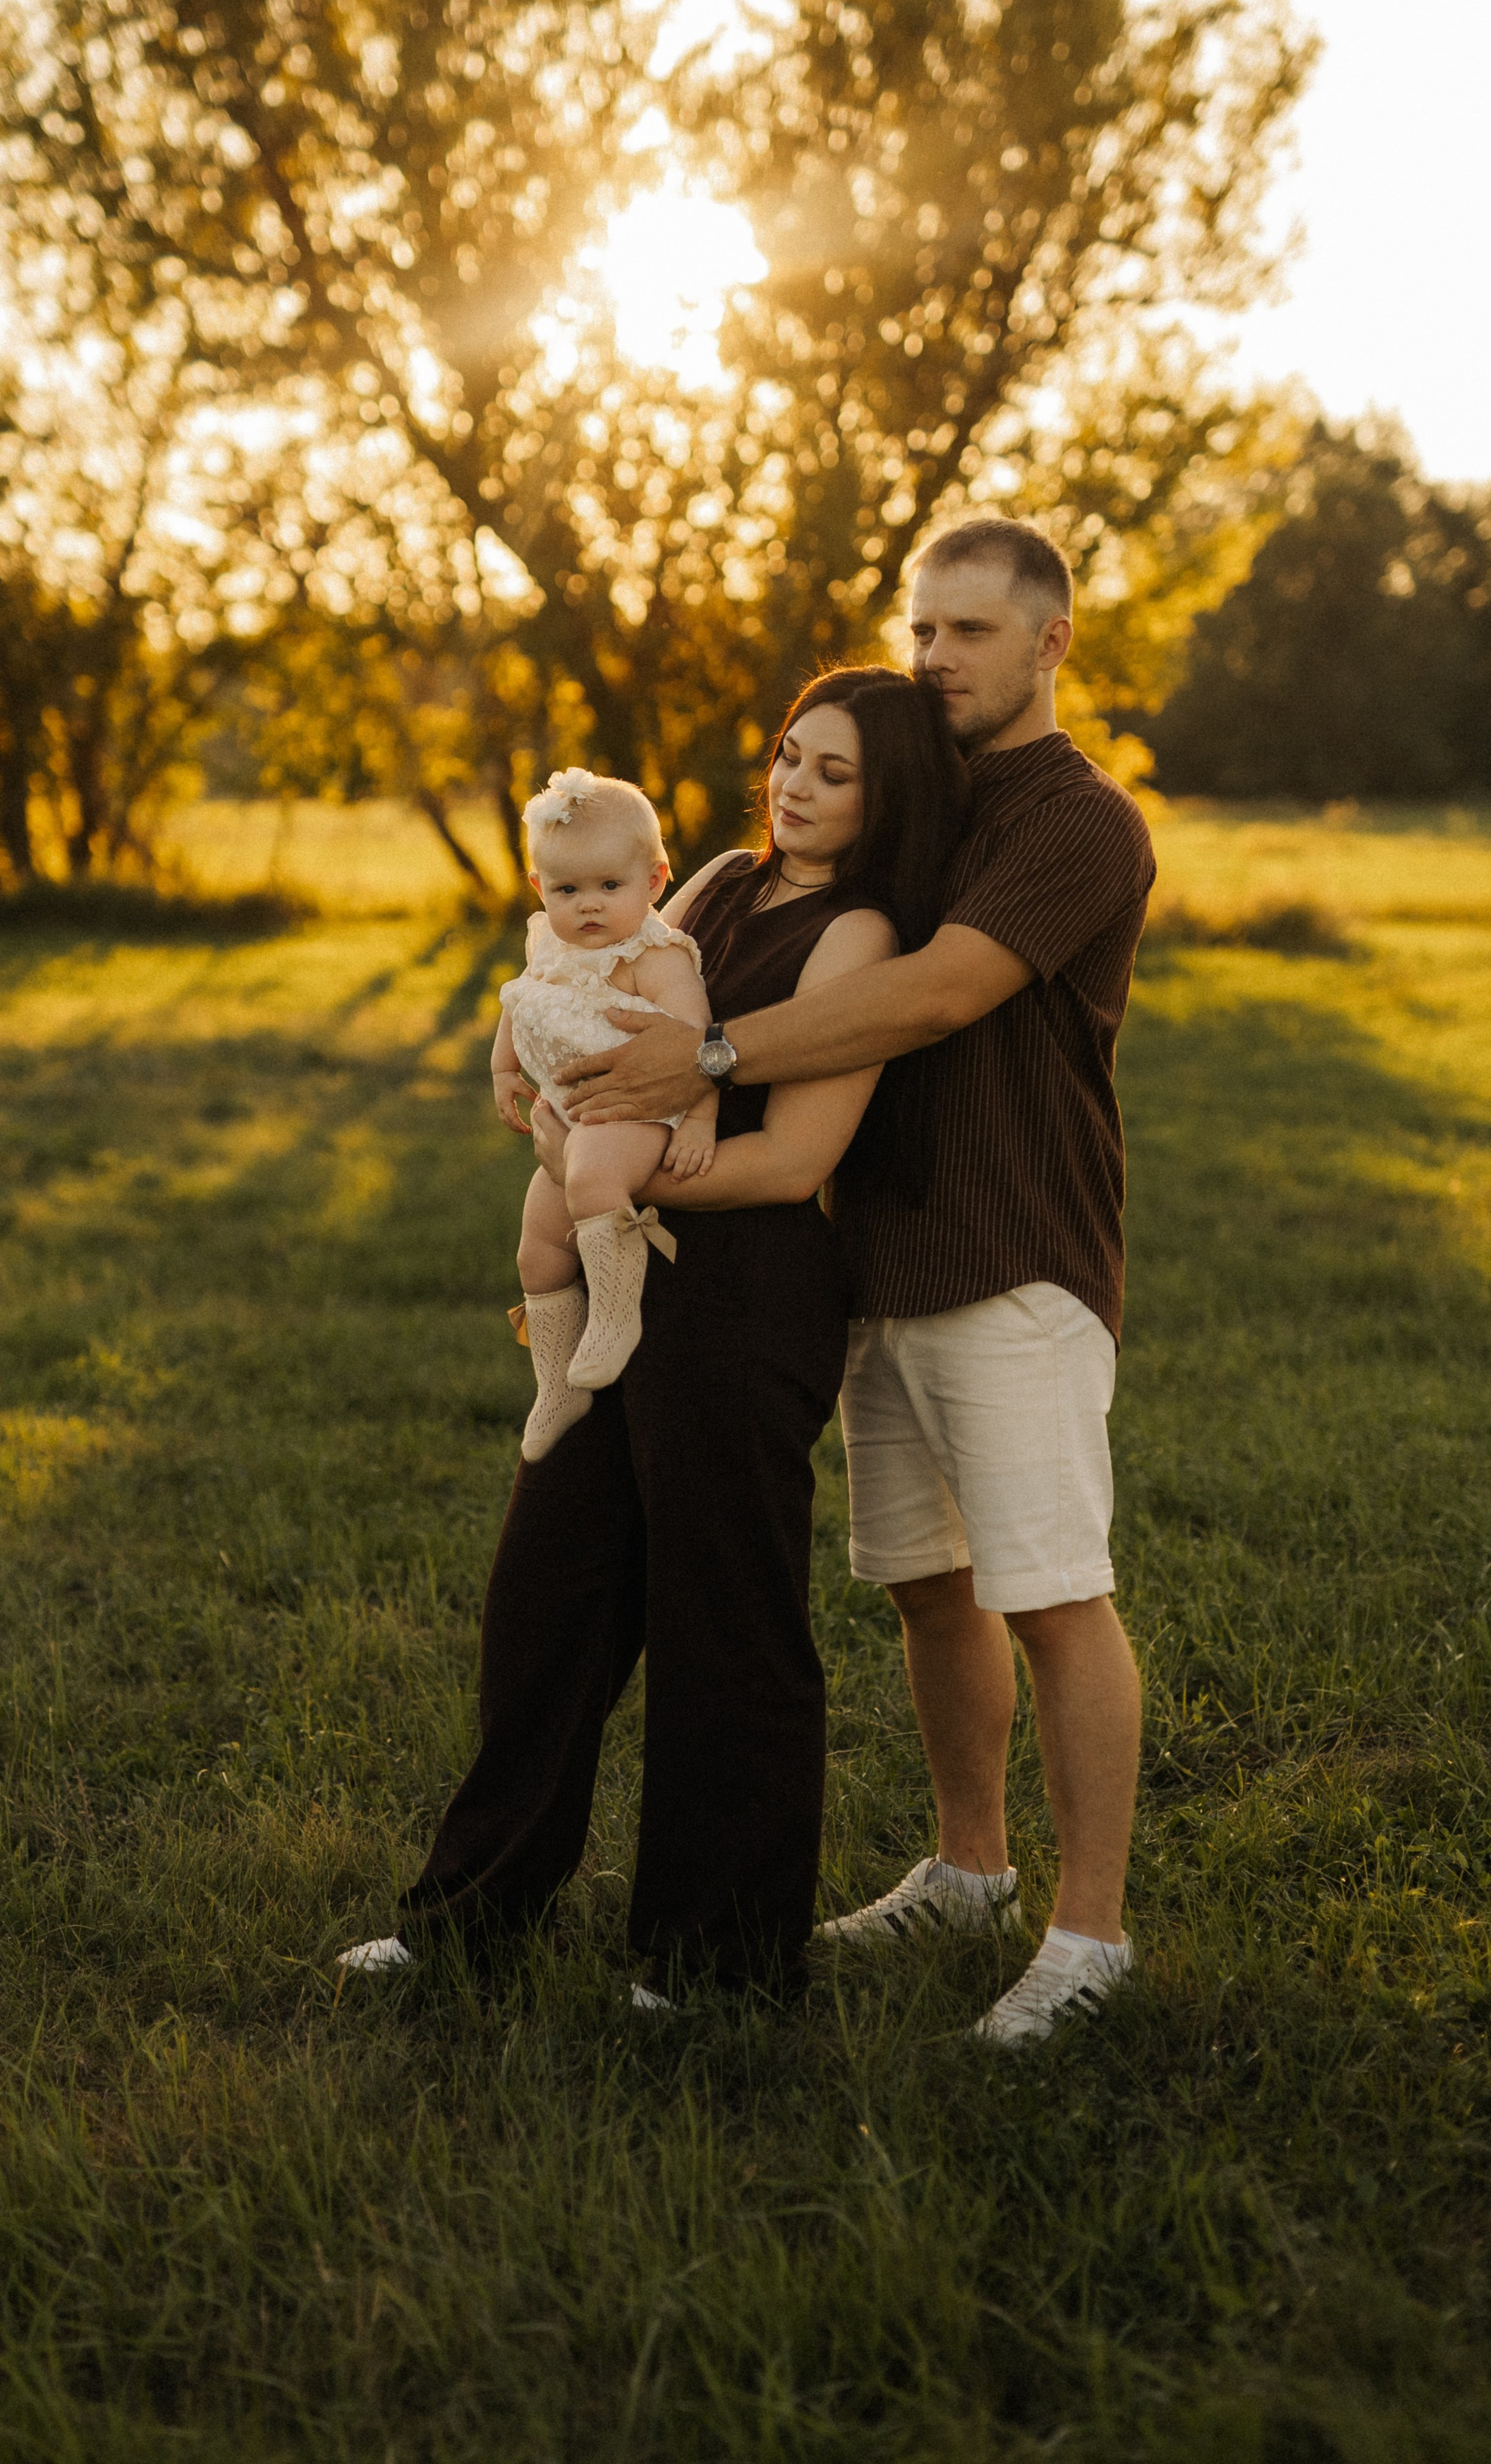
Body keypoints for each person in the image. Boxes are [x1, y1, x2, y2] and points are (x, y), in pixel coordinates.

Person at [557, 520, 1157, 2047]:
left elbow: (943, 990)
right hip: (873, 1260)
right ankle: (969, 1869)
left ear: (1047, 644)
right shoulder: (918, 795)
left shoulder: (1073, 819)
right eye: (922, 631)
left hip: (1013, 1251)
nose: (938, 658)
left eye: (969, 631)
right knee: (924, 1583)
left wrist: (705, 1056)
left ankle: (1088, 1939)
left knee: (1050, 1592)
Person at [335, 667, 966, 2002]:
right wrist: (535, 1092)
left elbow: (793, 1162)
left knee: (721, 1620)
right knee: (546, 1597)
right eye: (792, 756)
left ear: (886, 795)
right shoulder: (714, 881)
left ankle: (716, 1963)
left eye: (835, 771)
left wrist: (597, 1174)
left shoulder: (863, 937)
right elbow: (580, 995)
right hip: (630, 1263)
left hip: (747, 1301)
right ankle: (471, 1914)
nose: (795, 784)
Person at [490, 767, 717, 1462]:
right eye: (567, 890)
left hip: (641, 1113)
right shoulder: (547, 944)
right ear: (539, 889)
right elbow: (518, 1002)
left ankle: (615, 1320)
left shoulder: (654, 954)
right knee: (537, 1247)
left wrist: (702, 1120)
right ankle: (558, 1387)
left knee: (590, 1181)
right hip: (575, 1114)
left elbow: (700, 1047)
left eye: (608, 888)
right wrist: (503, 1068)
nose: (588, 907)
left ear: (654, 881)